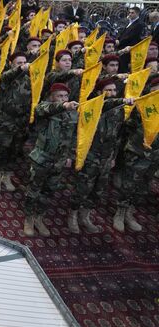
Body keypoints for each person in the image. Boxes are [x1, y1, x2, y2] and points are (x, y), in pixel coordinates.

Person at [68, 78, 135, 234]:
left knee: (98, 189)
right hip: (90, 155)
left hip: (106, 156)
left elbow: (117, 136)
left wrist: (112, 157)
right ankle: (73, 215)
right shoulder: (94, 106)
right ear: (99, 92)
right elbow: (78, 132)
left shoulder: (118, 110)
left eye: (114, 90)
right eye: (108, 90)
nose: (112, 93)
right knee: (82, 187)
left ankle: (85, 217)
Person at [23, 83, 78, 237]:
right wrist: (64, 105)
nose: (63, 99)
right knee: (33, 190)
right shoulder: (44, 108)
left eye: (65, 96)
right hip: (42, 158)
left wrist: (70, 156)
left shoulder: (73, 114)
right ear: (52, 97)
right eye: (59, 96)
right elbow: (43, 110)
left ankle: (39, 218)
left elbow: (74, 137)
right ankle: (28, 218)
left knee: (49, 191)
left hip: (59, 161)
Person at [114, 78, 159, 232]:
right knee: (129, 183)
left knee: (144, 185)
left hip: (155, 155)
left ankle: (130, 213)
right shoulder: (142, 104)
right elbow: (128, 126)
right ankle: (119, 212)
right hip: (137, 150)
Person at [0, 52, 31, 193]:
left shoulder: (30, 79)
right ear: (11, 64)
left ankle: (7, 177)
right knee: (1, 150)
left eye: (24, 62)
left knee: (14, 151)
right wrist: (21, 69)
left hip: (21, 122)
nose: (23, 64)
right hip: (6, 120)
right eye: (19, 63)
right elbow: (6, 77)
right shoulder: (7, 77)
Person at [117, 7, 145, 73]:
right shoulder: (129, 22)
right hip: (122, 48)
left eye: (132, 13)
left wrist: (120, 42)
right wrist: (117, 39)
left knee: (124, 67)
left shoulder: (139, 24)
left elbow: (131, 36)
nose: (130, 14)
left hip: (128, 49)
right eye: (129, 12)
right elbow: (122, 32)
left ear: (137, 14)